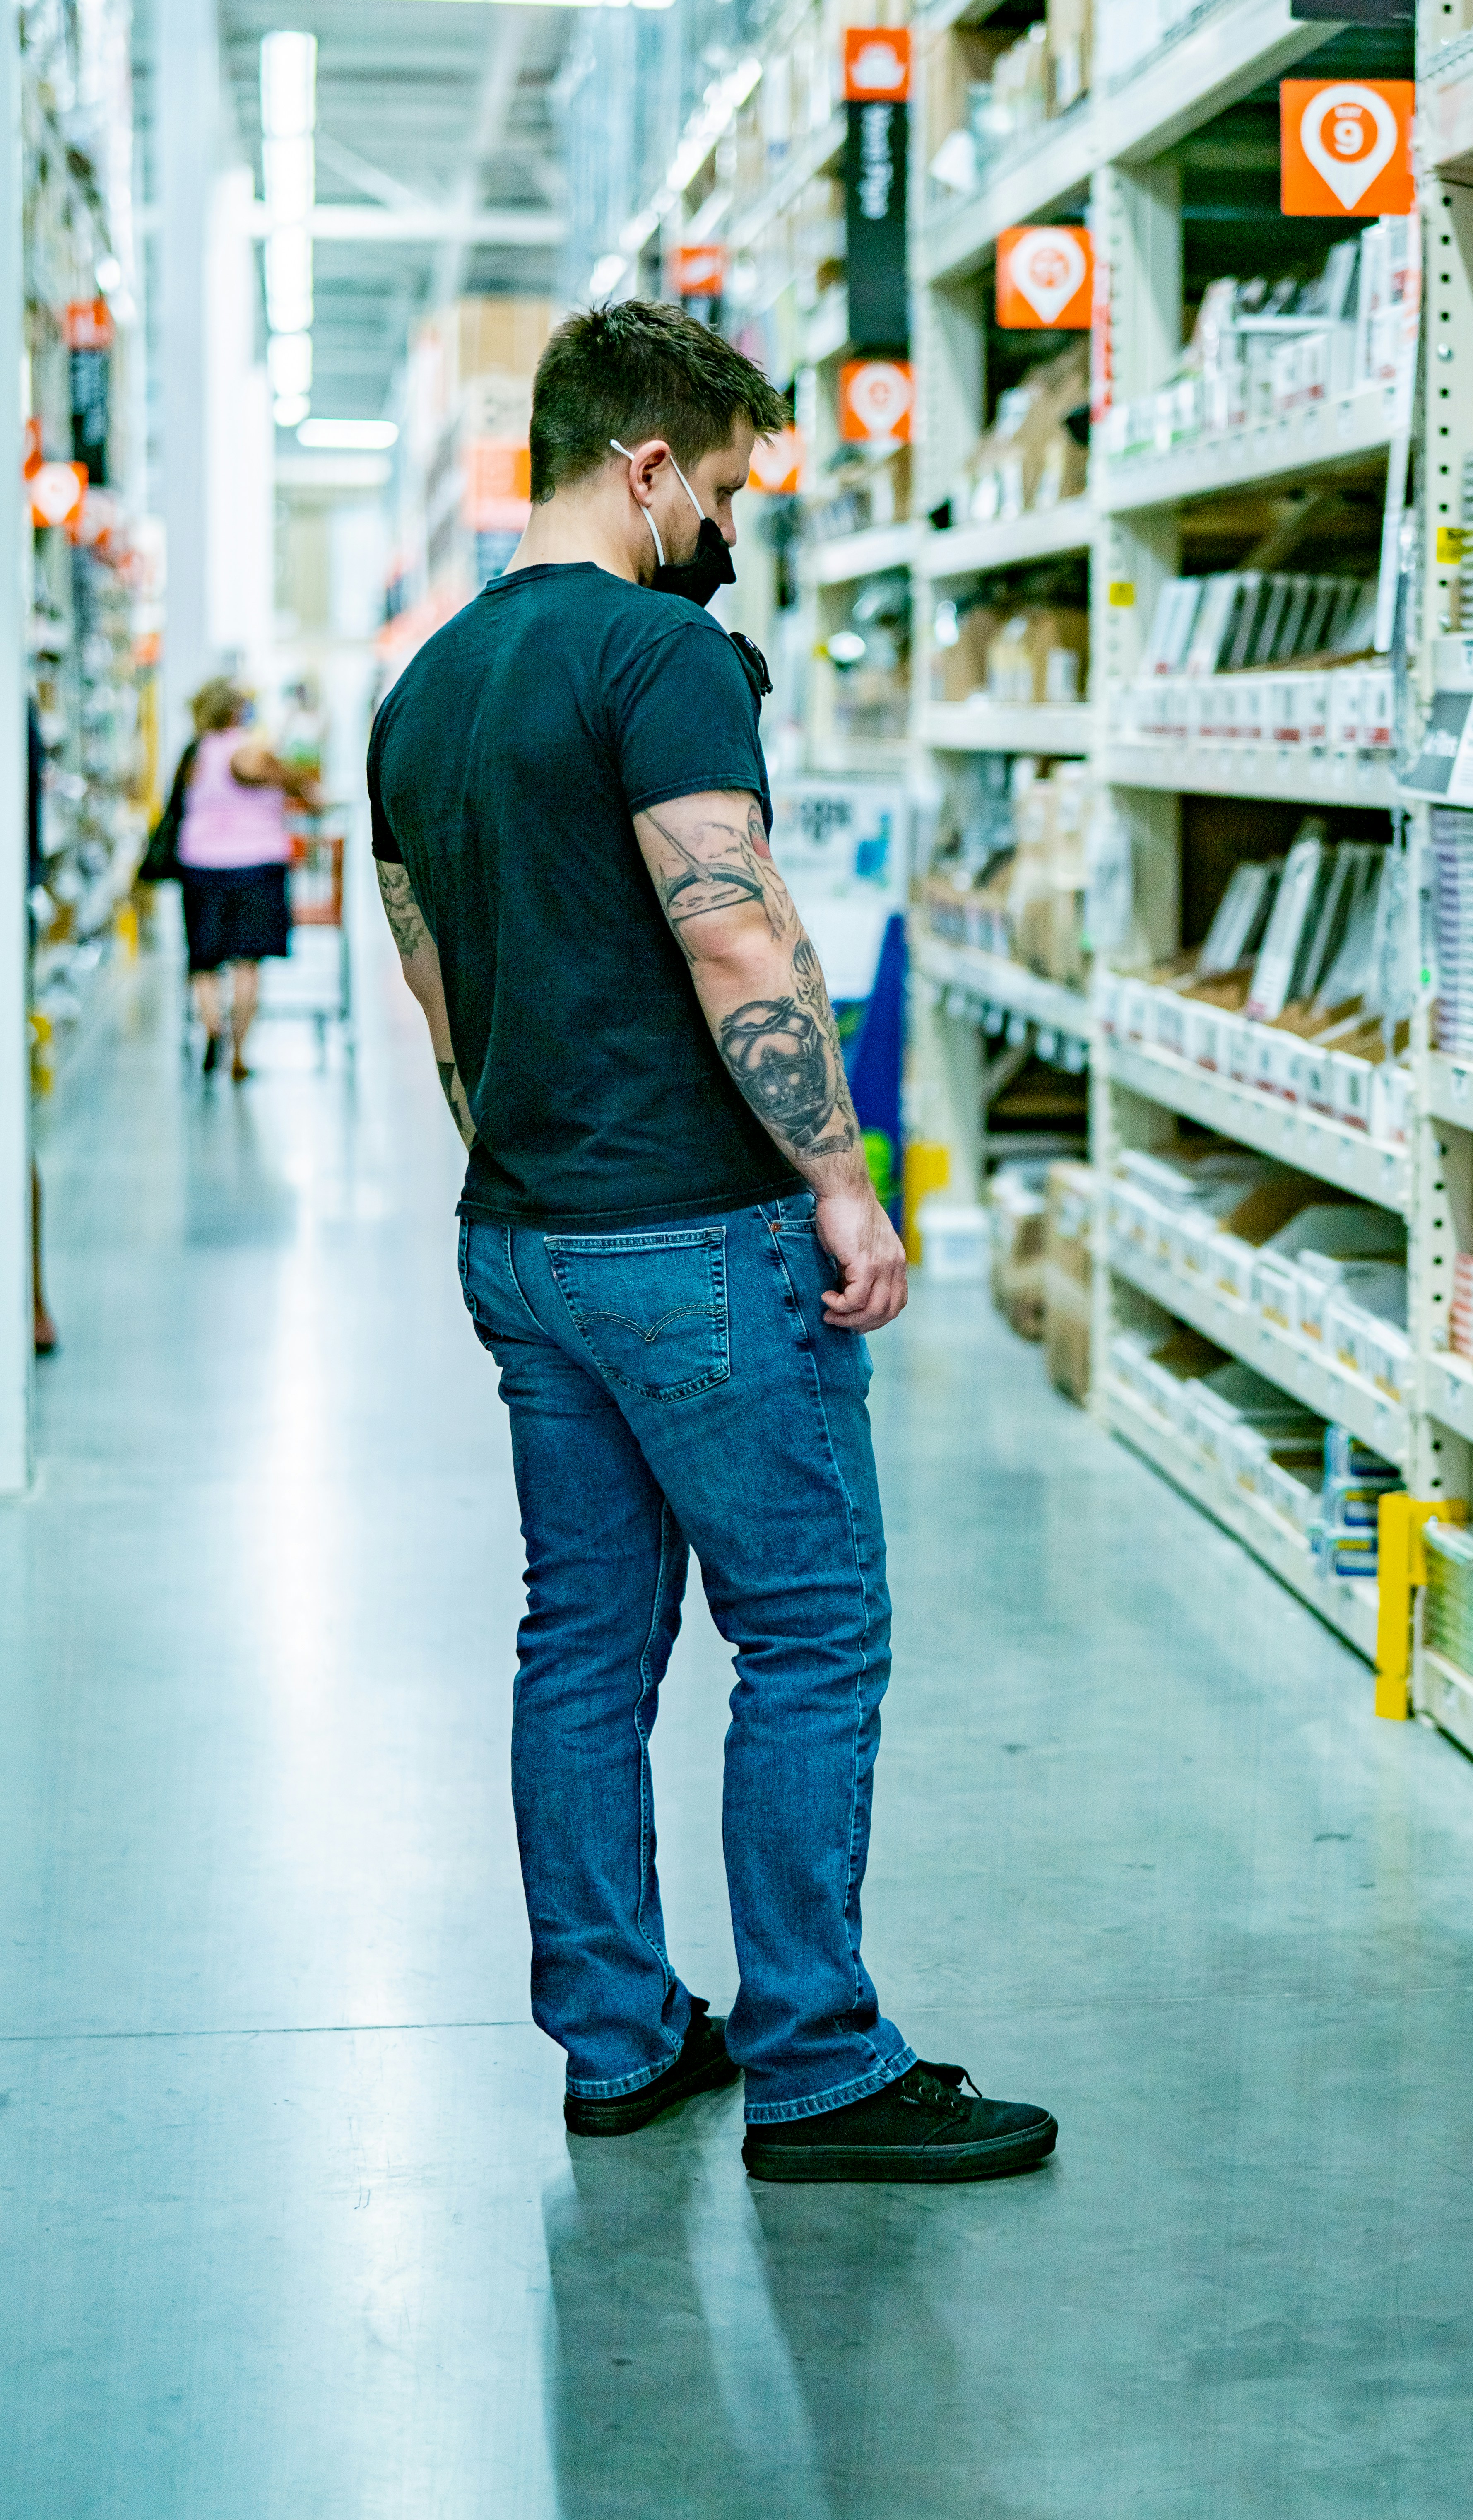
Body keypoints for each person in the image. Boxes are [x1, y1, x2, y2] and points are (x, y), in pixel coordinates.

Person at [367, 302, 1056, 2186]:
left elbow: (438, 991)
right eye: (726, 484)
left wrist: (525, 1175)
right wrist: (840, 1173)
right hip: (693, 1231)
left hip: (524, 1233)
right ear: (646, 464)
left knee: (585, 1641)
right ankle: (819, 2057)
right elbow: (735, 928)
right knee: (813, 1627)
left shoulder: (419, 692)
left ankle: (614, 2036)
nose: (734, 523)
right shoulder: (663, 654)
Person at [174, 678, 320, 1080]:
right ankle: (238, 1051)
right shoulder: (249, 752)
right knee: (247, 961)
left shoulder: (194, 754)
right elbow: (300, 784)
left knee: (204, 958)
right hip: (256, 864)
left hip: (200, 863)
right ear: (237, 710)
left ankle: (212, 1026)